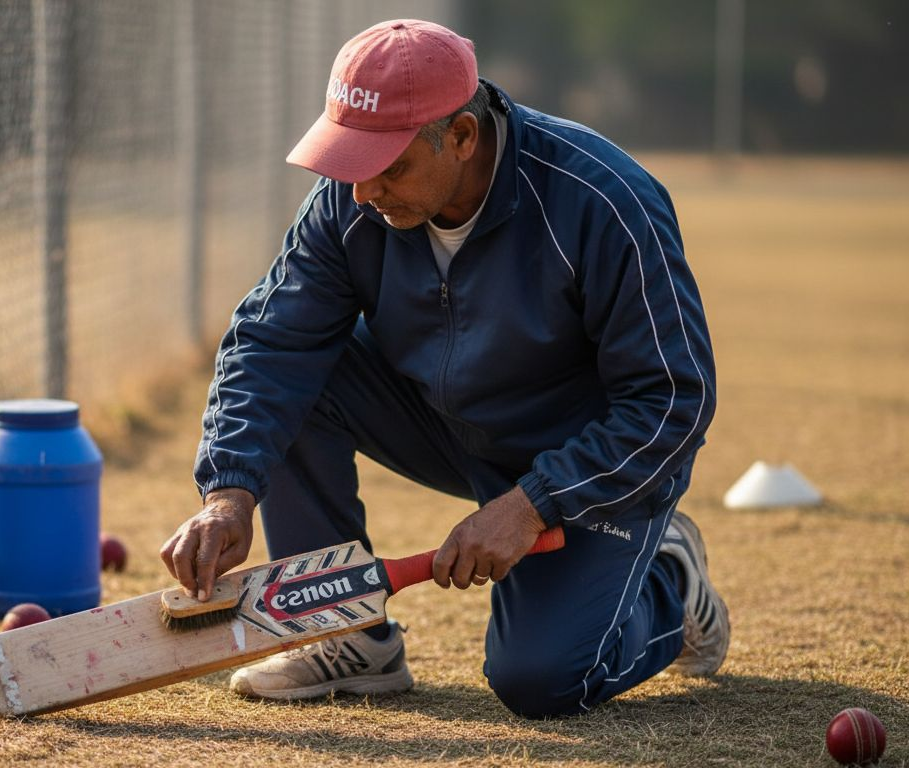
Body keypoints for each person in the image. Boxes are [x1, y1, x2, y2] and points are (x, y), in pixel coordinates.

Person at [160, 18, 726, 718]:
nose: (364, 193)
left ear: (460, 136)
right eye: (350, 162)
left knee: (542, 680)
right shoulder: (352, 198)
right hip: (446, 424)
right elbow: (272, 341)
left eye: (389, 166)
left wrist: (533, 504)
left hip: (580, 464)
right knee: (302, 371)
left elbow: (674, 399)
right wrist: (229, 489)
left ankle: (672, 574)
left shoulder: (603, 202)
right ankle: (348, 636)